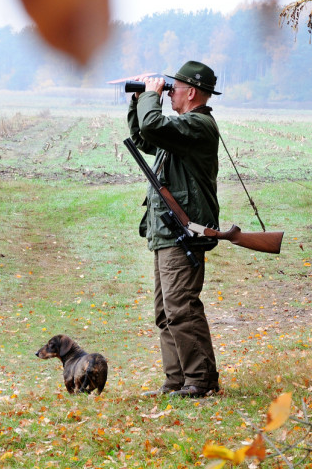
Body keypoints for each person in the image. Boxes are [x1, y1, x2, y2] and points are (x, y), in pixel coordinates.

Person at [128, 60, 222, 398]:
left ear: (191, 92)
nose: (169, 93)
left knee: (181, 307)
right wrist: (140, 100)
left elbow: (154, 127)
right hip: (167, 232)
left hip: (185, 231)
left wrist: (151, 98)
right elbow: (145, 136)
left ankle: (201, 380)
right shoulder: (182, 129)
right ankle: (177, 380)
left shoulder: (198, 126)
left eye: (173, 89)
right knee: (166, 312)